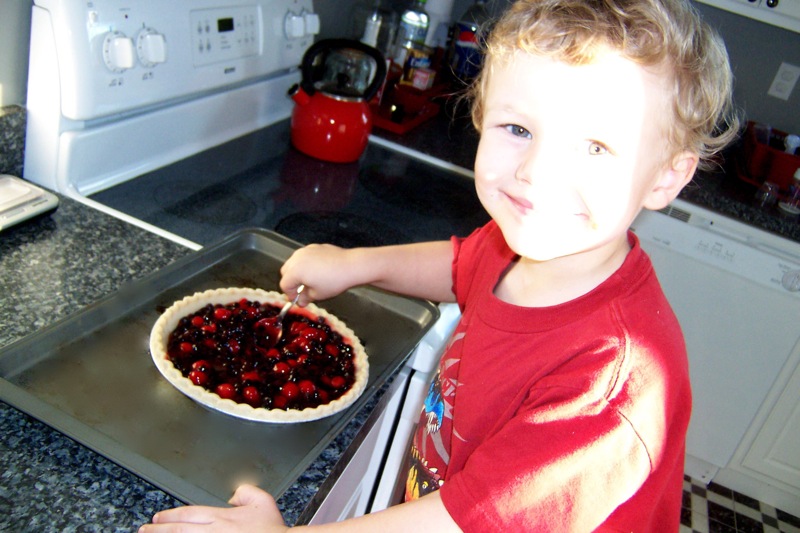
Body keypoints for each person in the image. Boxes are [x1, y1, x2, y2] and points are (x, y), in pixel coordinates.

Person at [139, 0, 739, 530]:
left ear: (667, 175)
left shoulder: (610, 384)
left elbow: (458, 521)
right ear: (480, 118)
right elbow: (458, 266)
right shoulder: (521, 245)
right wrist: (355, 265)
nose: (536, 173)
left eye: (596, 147)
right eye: (517, 128)